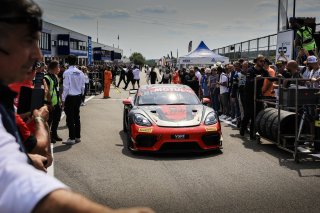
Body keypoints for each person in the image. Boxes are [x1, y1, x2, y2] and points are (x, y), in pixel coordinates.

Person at [0, 1, 155, 212]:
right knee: (76, 119)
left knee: (71, 119)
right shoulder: (79, 73)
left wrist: (26, 156)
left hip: (67, 99)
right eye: (28, 41)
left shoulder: (61, 75)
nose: (37, 55)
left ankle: (72, 135)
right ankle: (75, 135)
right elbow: (11, 180)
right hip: (75, 98)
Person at [240, 55, 269, 140]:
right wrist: (256, 78)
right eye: (261, 61)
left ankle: (253, 134)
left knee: (255, 115)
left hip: (258, 94)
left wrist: (278, 77)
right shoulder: (250, 70)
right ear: (257, 61)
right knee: (248, 113)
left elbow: (270, 78)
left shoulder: (264, 71)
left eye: (264, 61)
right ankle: (243, 127)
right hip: (248, 94)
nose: (263, 63)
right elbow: (249, 81)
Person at [62, 55, 85, 145]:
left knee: (70, 118)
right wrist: (81, 95)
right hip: (78, 96)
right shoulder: (80, 72)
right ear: (76, 61)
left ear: (68, 62)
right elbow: (83, 86)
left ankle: (71, 138)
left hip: (70, 97)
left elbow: (66, 87)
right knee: (77, 117)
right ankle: (77, 137)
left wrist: (63, 99)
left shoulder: (67, 72)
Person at [44, 60, 62, 143]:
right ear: (54, 67)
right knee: (49, 121)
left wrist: (61, 101)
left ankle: (54, 134)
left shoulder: (55, 76)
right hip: (50, 103)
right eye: (58, 67)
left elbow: (57, 91)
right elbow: (47, 92)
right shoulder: (46, 77)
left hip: (57, 103)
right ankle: (48, 137)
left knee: (56, 119)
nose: (59, 68)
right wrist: (49, 103)